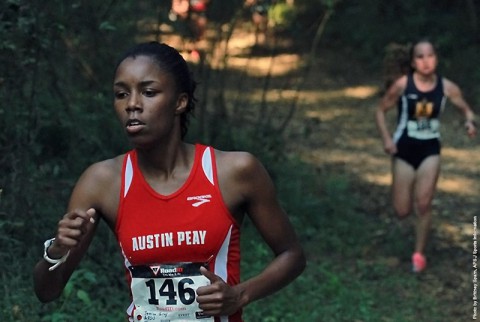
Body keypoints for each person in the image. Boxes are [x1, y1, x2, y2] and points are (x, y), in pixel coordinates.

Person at [33, 41, 306, 321]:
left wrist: (240, 295)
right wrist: (57, 250)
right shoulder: (102, 182)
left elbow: (292, 255)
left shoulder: (233, 172)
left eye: (149, 92)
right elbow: (46, 291)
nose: (132, 105)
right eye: (121, 94)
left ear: (180, 102)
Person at [375, 39, 477, 273]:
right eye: (420, 57)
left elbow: (465, 108)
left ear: (436, 59)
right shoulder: (402, 85)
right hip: (403, 150)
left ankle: (419, 254)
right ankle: (413, 229)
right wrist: (387, 139)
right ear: (413, 62)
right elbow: (380, 110)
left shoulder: (447, 87)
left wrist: (469, 122)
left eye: (430, 56)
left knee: (423, 203)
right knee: (402, 210)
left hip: (430, 150)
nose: (426, 61)